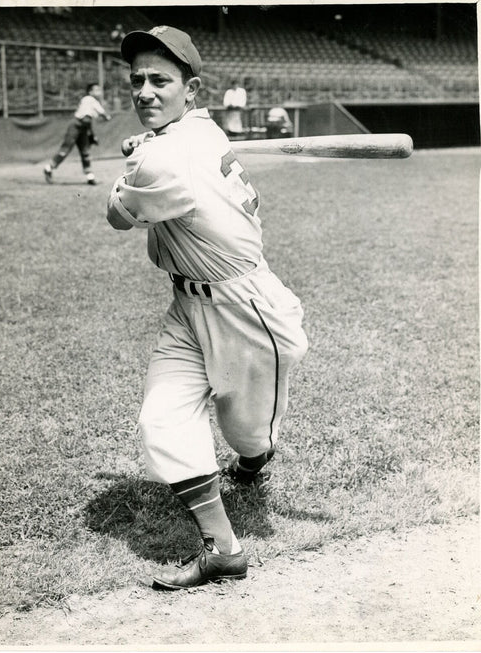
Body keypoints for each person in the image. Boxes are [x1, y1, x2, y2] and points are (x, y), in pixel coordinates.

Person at [107, 26, 308, 590]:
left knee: (249, 435)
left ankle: (251, 463)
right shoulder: (201, 129)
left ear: (190, 89)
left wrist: (135, 166)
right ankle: (223, 550)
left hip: (246, 308)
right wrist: (148, 148)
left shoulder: (165, 157)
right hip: (187, 305)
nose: (144, 91)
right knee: (161, 420)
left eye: (160, 81)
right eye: (137, 81)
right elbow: (163, 159)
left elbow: (118, 215)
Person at [43, 83, 111, 185]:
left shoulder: (93, 102)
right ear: (90, 92)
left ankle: (90, 177)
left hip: (84, 128)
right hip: (76, 126)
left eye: (99, 90)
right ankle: (48, 168)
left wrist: (91, 134)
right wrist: (106, 116)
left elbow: (88, 120)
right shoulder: (88, 99)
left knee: (85, 152)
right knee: (65, 150)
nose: (99, 92)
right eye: (96, 90)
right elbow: (97, 114)